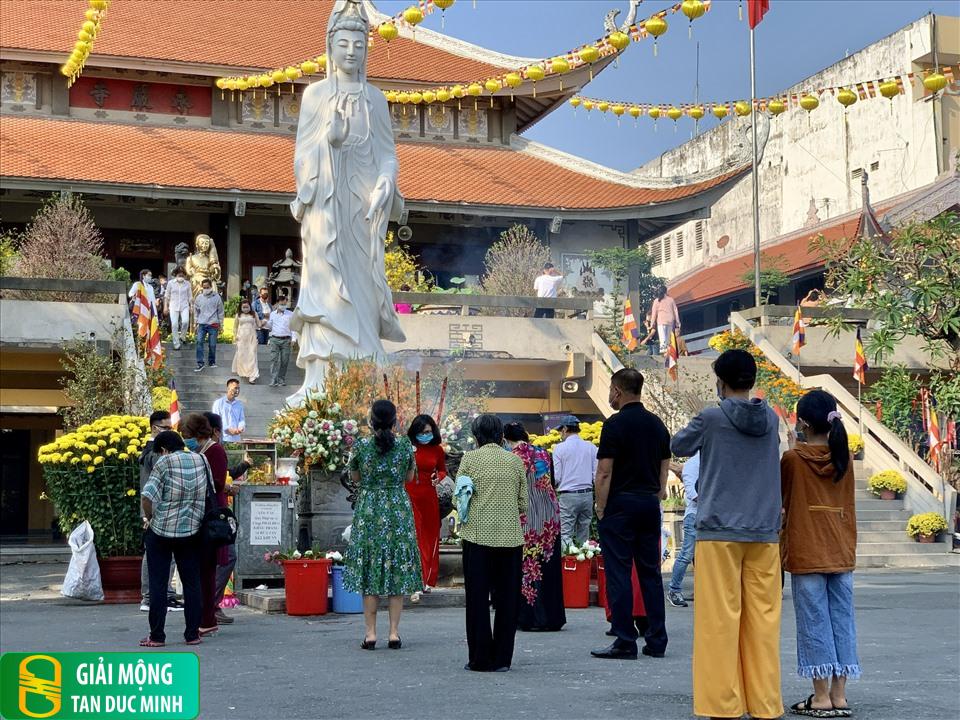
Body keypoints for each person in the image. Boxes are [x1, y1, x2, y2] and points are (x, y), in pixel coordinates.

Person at [288, 0, 406, 403]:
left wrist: (386, 183)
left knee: (364, 289)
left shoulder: (376, 99)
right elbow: (302, 154)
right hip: (326, 203)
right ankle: (320, 380)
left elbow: (388, 152)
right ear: (330, 45)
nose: (352, 50)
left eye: (359, 43)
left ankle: (365, 376)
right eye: (344, 42)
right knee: (327, 284)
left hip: (364, 207)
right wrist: (329, 141)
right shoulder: (315, 95)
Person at [671, 348, 784, 720]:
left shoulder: (711, 417)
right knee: (763, 622)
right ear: (752, 381)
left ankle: (723, 705)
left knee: (720, 620)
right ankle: (765, 705)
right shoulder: (771, 418)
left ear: (720, 381)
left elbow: (678, 445)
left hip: (719, 529)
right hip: (764, 531)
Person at [781, 390, 859, 718]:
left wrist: (790, 445)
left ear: (803, 423)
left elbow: (783, 502)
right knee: (842, 619)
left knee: (814, 621)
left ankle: (821, 696)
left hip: (806, 548)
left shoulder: (793, 459)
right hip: (841, 549)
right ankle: (840, 695)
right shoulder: (844, 459)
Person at [591, 368, 670, 661]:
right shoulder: (657, 424)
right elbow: (664, 466)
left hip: (621, 504)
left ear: (618, 391)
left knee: (619, 572)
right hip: (649, 503)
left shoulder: (614, 425)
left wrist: (601, 507)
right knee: (650, 573)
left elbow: (604, 472)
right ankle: (657, 639)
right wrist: (658, 494)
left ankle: (625, 639)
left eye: (612, 390)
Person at [343, 400, 422, 650]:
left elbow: (354, 477)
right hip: (397, 507)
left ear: (372, 420)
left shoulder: (362, 446)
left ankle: (370, 634)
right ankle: (394, 633)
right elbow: (410, 477)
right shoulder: (404, 445)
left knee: (370, 570)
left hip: (370, 509)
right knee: (396, 570)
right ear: (394, 420)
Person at [456, 414, 528, 672]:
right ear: (500, 435)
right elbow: (523, 504)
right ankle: (502, 660)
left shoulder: (470, 459)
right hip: (510, 539)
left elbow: (460, 498)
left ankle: (479, 658)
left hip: (477, 537)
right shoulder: (514, 461)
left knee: (477, 598)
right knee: (508, 600)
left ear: (476, 436)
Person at [140, 430, 209, 647]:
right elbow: (209, 492)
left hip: (161, 531)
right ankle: (192, 634)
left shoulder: (165, 462)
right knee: (192, 583)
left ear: (163, 450)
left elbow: (147, 496)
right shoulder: (201, 459)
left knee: (158, 584)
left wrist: (150, 518)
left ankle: (157, 636)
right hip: (192, 530)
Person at [503, 422, 565, 633]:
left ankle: (531, 618)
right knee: (548, 566)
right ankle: (552, 617)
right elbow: (552, 482)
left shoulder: (512, 457)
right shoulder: (544, 453)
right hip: (550, 517)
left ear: (506, 439)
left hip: (527, 518)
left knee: (528, 568)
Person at [180, 412, 226, 638]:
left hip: (210, 515)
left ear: (196, 434)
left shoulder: (214, 450)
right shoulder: (200, 452)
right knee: (200, 570)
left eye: (187, 435)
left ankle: (208, 618)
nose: (186, 440)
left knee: (206, 570)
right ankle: (202, 616)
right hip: (200, 513)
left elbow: (217, 483)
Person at [139, 411, 181, 613]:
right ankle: (151, 597)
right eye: (166, 428)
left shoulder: (154, 451)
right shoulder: (151, 452)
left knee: (164, 555)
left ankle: (165, 595)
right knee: (155, 555)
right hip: (153, 510)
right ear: (155, 428)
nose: (170, 431)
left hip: (160, 508)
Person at [203, 411, 242, 626]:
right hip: (215, 511)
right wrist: (227, 487)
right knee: (226, 555)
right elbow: (216, 482)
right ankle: (210, 604)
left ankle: (209, 604)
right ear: (217, 431)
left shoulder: (202, 449)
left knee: (218, 558)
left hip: (209, 508)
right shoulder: (214, 449)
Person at [406, 414, 445, 599]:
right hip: (409, 495)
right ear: (415, 432)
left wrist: (440, 477)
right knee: (414, 536)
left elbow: (443, 470)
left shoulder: (437, 450)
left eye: (428, 432)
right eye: (421, 432)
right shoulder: (407, 448)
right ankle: (412, 579)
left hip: (429, 496)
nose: (425, 435)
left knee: (430, 537)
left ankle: (427, 579)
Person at [551, 416, 597, 549]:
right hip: (587, 495)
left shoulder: (559, 449)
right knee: (584, 533)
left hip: (568, 496)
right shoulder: (591, 447)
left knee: (566, 534)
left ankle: (568, 567)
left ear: (565, 429)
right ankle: (584, 566)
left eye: (561, 431)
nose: (560, 434)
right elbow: (596, 475)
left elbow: (557, 477)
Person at [667, 451, 700, 608]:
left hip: (706, 516)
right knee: (686, 554)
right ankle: (674, 589)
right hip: (695, 516)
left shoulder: (709, 460)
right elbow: (693, 493)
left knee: (706, 556)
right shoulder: (693, 464)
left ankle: (702, 589)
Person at [194, 278, 224, 372]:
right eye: (204, 287)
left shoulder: (217, 297)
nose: (206, 289)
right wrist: (195, 322)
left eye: (207, 287)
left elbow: (220, 311)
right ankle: (200, 363)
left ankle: (212, 362)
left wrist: (221, 324)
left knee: (212, 345)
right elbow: (196, 310)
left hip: (213, 323)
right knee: (199, 342)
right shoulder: (199, 297)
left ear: (211, 286)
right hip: (202, 324)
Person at [266, 295, 294, 387]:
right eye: (281, 304)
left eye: (285, 304)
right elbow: (270, 326)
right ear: (277, 303)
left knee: (284, 360)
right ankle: (273, 379)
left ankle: (281, 379)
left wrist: (293, 338)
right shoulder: (272, 314)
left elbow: (293, 327)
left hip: (286, 339)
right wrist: (264, 323)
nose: (283, 306)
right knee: (274, 360)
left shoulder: (290, 314)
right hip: (275, 339)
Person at [232, 300, 260, 384]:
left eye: (247, 307)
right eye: (243, 307)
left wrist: (265, 322)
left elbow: (259, 324)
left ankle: (252, 376)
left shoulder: (254, 314)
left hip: (252, 337)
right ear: (241, 307)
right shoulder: (238, 315)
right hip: (241, 338)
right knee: (242, 355)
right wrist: (235, 336)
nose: (245, 309)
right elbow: (235, 327)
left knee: (252, 355)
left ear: (250, 306)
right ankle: (243, 371)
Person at [166, 267, 192, 350]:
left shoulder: (187, 283)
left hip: (184, 306)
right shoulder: (170, 283)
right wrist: (165, 307)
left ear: (184, 275)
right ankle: (176, 344)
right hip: (173, 306)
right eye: (179, 274)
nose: (181, 276)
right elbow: (167, 296)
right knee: (174, 325)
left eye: (182, 274)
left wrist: (191, 306)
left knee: (185, 322)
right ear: (175, 275)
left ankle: (182, 336)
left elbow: (190, 296)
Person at [649, 286, 681, 354]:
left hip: (661, 321)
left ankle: (664, 351)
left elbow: (654, 313)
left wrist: (652, 324)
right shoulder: (671, 300)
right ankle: (668, 351)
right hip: (670, 321)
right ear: (666, 291)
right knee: (668, 338)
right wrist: (678, 322)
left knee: (662, 337)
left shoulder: (656, 301)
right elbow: (675, 311)